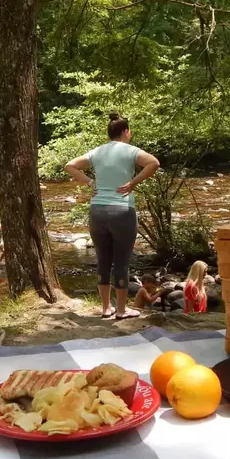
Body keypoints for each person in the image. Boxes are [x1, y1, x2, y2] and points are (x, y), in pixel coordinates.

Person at [65, 113, 160, 319]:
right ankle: (121, 310)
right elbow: (154, 163)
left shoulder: (97, 152)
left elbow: (69, 165)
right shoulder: (130, 150)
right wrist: (133, 182)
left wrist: (90, 183)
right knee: (122, 262)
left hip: (97, 210)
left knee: (103, 259)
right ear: (126, 132)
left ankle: (106, 308)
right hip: (121, 210)